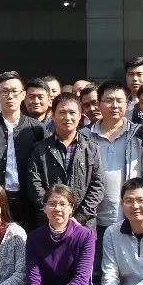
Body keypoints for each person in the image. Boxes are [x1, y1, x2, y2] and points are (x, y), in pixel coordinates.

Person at [83, 80, 143, 268]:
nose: (115, 105)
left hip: (131, 216)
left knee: (130, 270)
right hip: (95, 219)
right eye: (109, 100)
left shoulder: (138, 135)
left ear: (127, 103)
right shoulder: (84, 136)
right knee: (97, 271)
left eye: (120, 101)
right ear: (99, 104)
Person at [0, 71, 46, 228]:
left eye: (15, 91)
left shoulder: (37, 129)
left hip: (29, 201)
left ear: (23, 95)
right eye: (5, 92)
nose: (10, 96)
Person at [28, 93, 104, 227]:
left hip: (82, 225)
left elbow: (97, 186)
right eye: (62, 112)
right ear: (53, 115)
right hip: (49, 222)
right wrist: (52, 212)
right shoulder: (40, 149)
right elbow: (34, 183)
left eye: (72, 113)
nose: (67, 117)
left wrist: (79, 218)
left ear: (80, 116)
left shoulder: (91, 149)